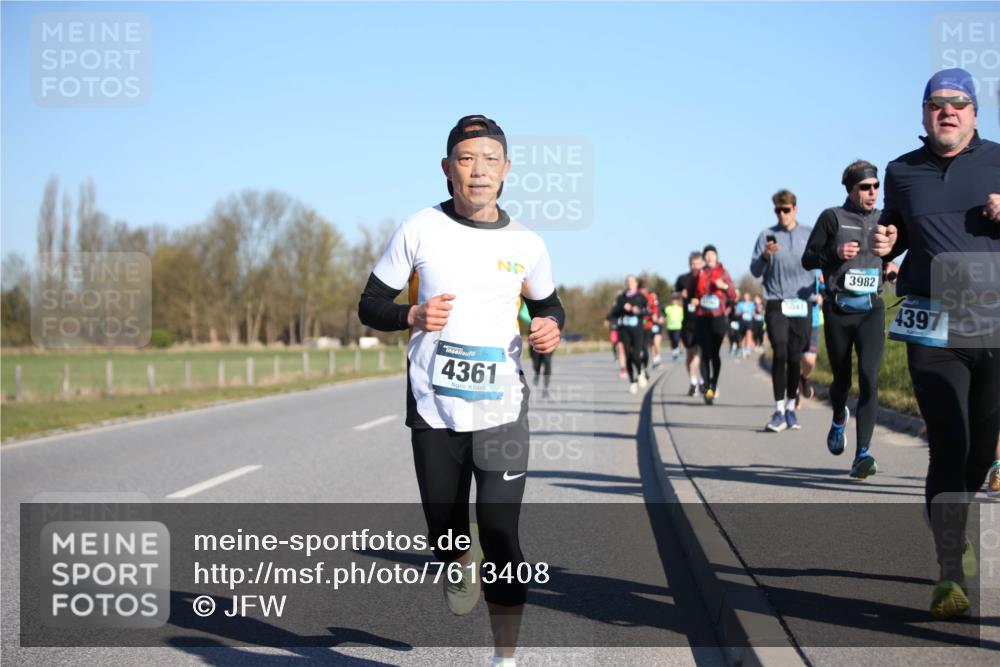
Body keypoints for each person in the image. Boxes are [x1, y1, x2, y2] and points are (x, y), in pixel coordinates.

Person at [358, 114, 564, 665]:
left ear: (507, 169)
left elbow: (548, 305)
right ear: (447, 168)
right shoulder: (419, 228)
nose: (479, 170)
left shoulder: (527, 243)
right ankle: (457, 558)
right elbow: (369, 304)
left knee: (500, 533)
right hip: (434, 409)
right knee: (446, 537)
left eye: (490, 159)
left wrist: (550, 326)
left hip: (502, 407)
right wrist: (411, 314)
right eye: (467, 159)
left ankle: (505, 658)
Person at [872, 69, 1000, 619]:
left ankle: (952, 511)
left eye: (958, 102)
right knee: (949, 440)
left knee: (981, 451)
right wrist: (885, 242)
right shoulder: (901, 171)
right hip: (932, 320)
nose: (947, 110)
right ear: (924, 114)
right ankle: (950, 571)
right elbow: (892, 231)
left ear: (974, 112)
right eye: (936, 103)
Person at [802, 160, 888, 479]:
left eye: (876, 186)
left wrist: (892, 266)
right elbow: (808, 258)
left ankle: (862, 453)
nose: (872, 192)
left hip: (871, 308)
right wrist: (835, 254)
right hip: (839, 309)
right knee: (842, 381)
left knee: (869, 376)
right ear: (851, 189)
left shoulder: (884, 219)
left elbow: (892, 252)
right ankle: (839, 416)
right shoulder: (832, 217)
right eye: (865, 187)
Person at [750, 189, 816, 432]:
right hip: (777, 301)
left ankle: (790, 407)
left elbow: (822, 261)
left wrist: (821, 287)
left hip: (802, 302)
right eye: (777, 210)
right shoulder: (766, 235)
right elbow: (755, 271)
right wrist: (765, 256)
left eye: (786, 210)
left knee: (794, 357)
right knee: (779, 351)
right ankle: (778, 410)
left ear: (795, 210)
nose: (782, 214)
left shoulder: (808, 234)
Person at [687, 244, 738, 404]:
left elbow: (733, 295)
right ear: (704, 258)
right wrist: (693, 300)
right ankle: (707, 387)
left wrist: (724, 286)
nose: (709, 257)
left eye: (712, 254)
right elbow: (690, 294)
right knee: (704, 353)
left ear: (716, 256)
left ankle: (714, 384)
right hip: (702, 316)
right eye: (706, 255)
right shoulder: (698, 274)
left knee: (714, 354)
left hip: (718, 317)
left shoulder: (723, 273)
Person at [610, 275, 649, 394]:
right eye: (628, 281)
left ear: (636, 283)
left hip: (637, 330)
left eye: (632, 281)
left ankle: (640, 372)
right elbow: (614, 313)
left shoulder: (641, 297)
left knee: (636, 356)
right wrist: (622, 308)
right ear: (626, 283)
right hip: (624, 330)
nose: (630, 283)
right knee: (627, 356)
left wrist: (638, 310)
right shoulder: (621, 298)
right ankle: (632, 382)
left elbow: (648, 311)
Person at [675, 251, 705, 395]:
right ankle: (693, 381)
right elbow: (673, 293)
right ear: (689, 263)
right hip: (688, 322)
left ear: (702, 263)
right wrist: (680, 294)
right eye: (692, 263)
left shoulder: (706, 277)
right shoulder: (683, 279)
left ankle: (702, 380)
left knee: (701, 353)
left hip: (703, 319)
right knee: (690, 354)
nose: (694, 266)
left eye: (697, 263)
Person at [797, 272, 824, 407]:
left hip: (813, 320)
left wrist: (822, 295)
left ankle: (804, 378)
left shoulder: (818, 269)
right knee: (793, 358)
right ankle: (794, 393)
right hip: (794, 318)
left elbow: (826, 285)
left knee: (810, 360)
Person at [734, 292, 756, 358]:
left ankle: (748, 349)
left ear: (749, 297)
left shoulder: (752, 304)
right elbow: (736, 313)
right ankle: (743, 349)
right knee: (742, 336)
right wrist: (742, 312)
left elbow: (754, 312)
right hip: (742, 321)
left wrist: (753, 314)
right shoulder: (740, 304)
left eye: (747, 296)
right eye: (745, 296)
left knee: (749, 334)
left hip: (749, 321)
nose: (746, 297)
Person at [665, 295, 685, 362]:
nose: (674, 302)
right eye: (673, 300)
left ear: (677, 301)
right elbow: (665, 317)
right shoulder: (668, 308)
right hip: (670, 327)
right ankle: (674, 354)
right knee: (672, 341)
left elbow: (682, 317)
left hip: (678, 327)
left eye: (675, 300)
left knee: (676, 340)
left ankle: (676, 353)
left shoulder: (680, 308)